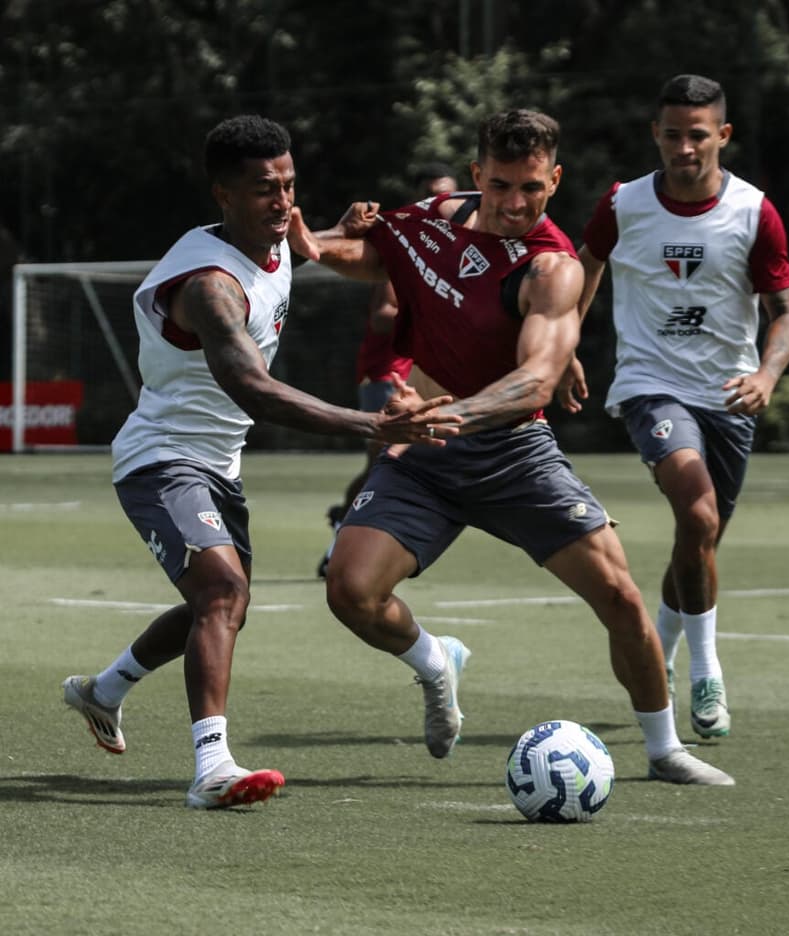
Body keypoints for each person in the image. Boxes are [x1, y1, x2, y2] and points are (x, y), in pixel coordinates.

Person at [288, 108, 735, 785]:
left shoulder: (551, 267)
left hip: (511, 455)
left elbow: (535, 380)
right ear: (477, 176)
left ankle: (664, 747)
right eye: (501, 186)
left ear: (554, 180)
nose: (516, 203)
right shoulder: (437, 215)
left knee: (619, 598)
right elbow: (375, 255)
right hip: (428, 458)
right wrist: (314, 244)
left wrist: (451, 417)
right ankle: (437, 661)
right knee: (349, 591)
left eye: (532, 187)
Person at [61, 115, 461, 810]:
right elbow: (254, 389)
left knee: (218, 605)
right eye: (262, 190)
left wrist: (331, 230)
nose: (281, 202)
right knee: (222, 593)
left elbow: (289, 255)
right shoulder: (207, 286)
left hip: (220, 462)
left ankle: (105, 689)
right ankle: (211, 767)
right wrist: (372, 420)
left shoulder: (273, 240)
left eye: (288, 186)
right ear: (222, 194)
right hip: (162, 459)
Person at [561, 75, 789, 738]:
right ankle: (707, 671)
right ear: (656, 135)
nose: (684, 147)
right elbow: (583, 267)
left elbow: (784, 315)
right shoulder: (626, 203)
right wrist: (566, 342)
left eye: (698, 135)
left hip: (729, 396)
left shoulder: (756, 212)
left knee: (701, 539)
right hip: (650, 387)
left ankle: (658, 655)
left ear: (722, 135)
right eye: (673, 134)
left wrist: (768, 375)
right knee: (696, 514)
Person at [317, 163, 459, 577]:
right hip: (387, 373)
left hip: (417, 376)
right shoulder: (408, 243)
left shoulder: (451, 246)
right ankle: (341, 545)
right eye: (432, 196)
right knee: (387, 462)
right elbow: (383, 315)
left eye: (447, 196)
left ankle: (346, 523)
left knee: (388, 463)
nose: (439, 204)